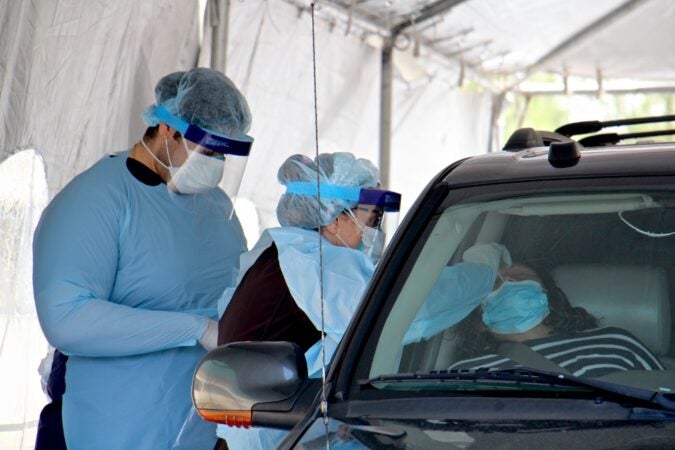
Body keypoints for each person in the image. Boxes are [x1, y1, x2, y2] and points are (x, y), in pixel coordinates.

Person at [33, 67, 253, 450]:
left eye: (224, 154)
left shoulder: (216, 207)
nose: (216, 163)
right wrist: (194, 329)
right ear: (168, 129)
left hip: (200, 425)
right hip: (116, 427)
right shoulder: (98, 198)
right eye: (209, 150)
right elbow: (66, 320)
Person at [210, 152, 402, 449]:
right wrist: (483, 272)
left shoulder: (286, 253)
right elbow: (405, 314)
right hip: (275, 437)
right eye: (373, 218)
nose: (376, 230)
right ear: (335, 219)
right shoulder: (320, 266)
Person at [449, 262, 665, 377]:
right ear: (478, 320)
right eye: (494, 285)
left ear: (549, 296)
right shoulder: (465, 373)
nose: (508, 284)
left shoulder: (617, 342)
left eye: (520, 278)